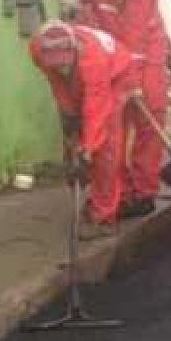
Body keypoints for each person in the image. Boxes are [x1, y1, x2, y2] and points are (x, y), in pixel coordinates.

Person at [66, 0, 171, 220]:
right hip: (105, 43)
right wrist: (72, 0)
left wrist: (132, 79)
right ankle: (119, 192)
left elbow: (135, 34)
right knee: (114, 122)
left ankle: (144, 191)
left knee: (148, 112)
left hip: (144, 48)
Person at [28, 21, 133, 240]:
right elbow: (57, 82)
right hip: (79, 80)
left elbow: (96, 110)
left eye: (65, 64)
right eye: (56, 65)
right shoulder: (37, 50)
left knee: (105, 149)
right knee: (76, 134)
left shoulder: (93, 61)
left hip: (116, 77)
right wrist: (69, 117)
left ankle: (104, 216)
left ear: (75, 51)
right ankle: (101, 196)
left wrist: (86, 151)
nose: (61, 68)